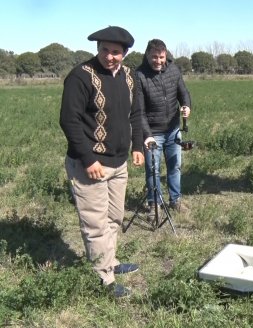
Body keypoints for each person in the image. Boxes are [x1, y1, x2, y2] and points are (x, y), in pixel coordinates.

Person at [60, 26, 144, 298]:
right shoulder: (81, 77)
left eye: (116, 52)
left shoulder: (130, 76)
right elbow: (69, 121)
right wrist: (88, 158)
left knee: (114, 218)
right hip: (91, 164)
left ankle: (111, 261)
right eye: (104, 50)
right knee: (95, 223)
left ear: (125, 53)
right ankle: (103, 280)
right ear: (98, 49)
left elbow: (136, 114)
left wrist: (138, 145)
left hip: (118, 163)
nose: (109, 56)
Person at [135, 39, 192, 214]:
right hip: (153, 133)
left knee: (174, 167)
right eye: (154, 57)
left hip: (173, 129)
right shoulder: (139, 75)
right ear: (147, 55)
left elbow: (184, 93)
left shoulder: (173, 70)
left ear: (165, 55)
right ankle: (154, 204)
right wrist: (147, 134)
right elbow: (139, 110)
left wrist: (186, 106)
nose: (158, 61)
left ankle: (175, 200)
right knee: (153, 169)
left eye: (161, 57)